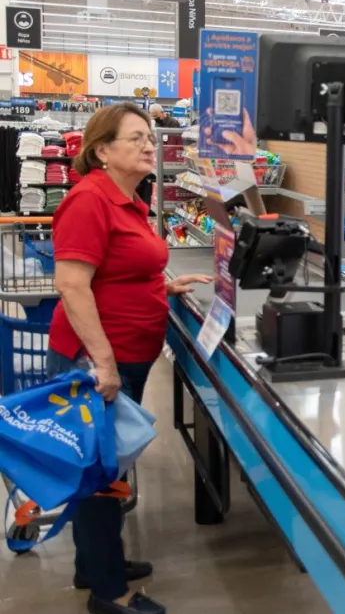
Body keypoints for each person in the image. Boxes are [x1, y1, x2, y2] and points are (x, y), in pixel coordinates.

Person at [48, 103, 211, 614]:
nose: (149, 145)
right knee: (100, 475)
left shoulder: (127, 199)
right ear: (102, 150)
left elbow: (119, 267)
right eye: (137, 138)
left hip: (129, 351)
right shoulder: (89, 200)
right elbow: (72, 285)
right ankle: (109, 593)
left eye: (150, 137)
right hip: (96, 360)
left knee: (108, 467)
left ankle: (96, 563)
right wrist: (104, 363)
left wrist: (162, 284)